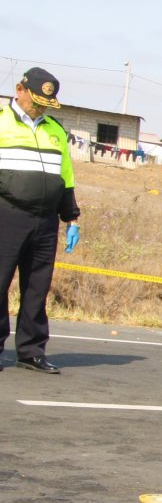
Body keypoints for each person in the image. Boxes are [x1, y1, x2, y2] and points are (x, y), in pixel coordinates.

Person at [0, 67, 81, 373]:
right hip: (7, 215)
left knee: (37, 287)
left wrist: (71, 217)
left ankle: (31, 351)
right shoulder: (1, 122)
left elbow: (66, 177)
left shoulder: (55, 130)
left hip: (45, 221)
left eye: (46, 103)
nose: (41, 107)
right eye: (36, 101)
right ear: (19, 90)